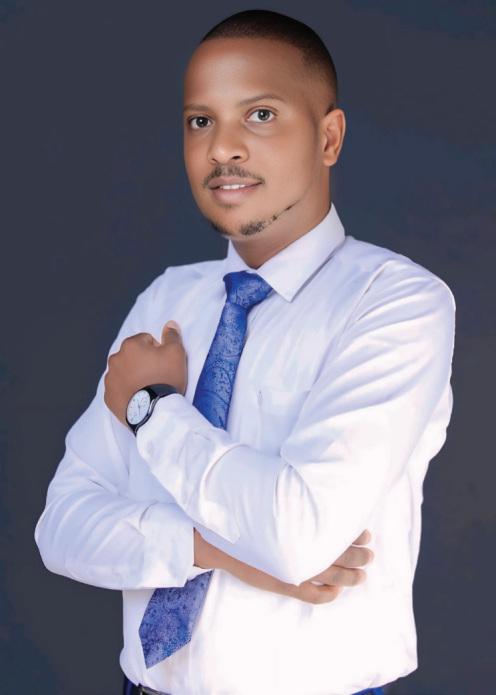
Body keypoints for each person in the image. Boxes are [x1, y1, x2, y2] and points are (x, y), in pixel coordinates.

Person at [34, 9, 456, 695]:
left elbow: (298, 535)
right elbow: (62, 528)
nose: (221, 148)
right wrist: (221, 551)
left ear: (328, 137)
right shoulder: (168, 299)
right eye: (200, 120)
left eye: (260, 115)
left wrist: (153, 409)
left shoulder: (395, 302)